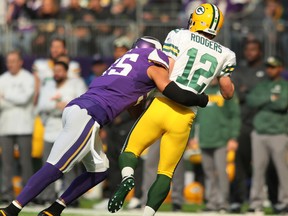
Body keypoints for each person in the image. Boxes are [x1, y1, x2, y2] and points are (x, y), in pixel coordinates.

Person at [0, 36, 208, 216]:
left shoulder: (124, 61)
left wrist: (143, 99)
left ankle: (54, 209)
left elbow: (131, 107)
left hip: (80, 109)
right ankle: (12, 209)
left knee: (100, 169)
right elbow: (174, 92)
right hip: (90, 114)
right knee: (56, 166)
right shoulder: (153, 63)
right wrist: (200, 99)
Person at [108, 3, 236, 216]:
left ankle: (128, 177)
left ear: (196, 19)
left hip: (162, 104)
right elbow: (227, 92)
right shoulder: (226, 53)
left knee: (130, 150)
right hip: (185, 116)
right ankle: (148, 213)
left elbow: (167, 67)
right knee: (166, 173)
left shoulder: (180, 35)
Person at [36, 61, 87, 205]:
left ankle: (70, 198)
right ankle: (47, 196)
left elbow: (81, 101)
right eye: (55, 70)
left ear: (66, 72)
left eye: (60, 70)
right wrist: (56, 105)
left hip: (68, 128)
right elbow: (42, 105)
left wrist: (64, 105)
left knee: (69, 166)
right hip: (51, 128)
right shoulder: (48, 86)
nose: (57, 73)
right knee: (47, 166)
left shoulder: (74, 84)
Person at [189, 78, 241, 213]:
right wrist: (192, 137)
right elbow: (194, 117)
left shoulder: (226, 92)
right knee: (208, 173)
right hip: (205, 139)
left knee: (221, 172)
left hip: (222, 140)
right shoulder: (201, 92)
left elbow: (235, 115)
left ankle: (223, 203)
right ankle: (211, 203)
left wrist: (233, 137)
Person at [247, 56, 288, 214]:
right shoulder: (261, 85)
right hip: (259, 133)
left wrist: (265, 101)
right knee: (258, 169)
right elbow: (251, 100)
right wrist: (271, 98)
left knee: (283, 170)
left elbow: (282, 103)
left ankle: (285, 202)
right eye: (268, 67)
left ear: (280, 68)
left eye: (273, 67)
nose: (269, 69)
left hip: (279, 133)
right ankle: (256, 203)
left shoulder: (285, 86)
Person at [230, 39, 267, 212]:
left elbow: (265, 94)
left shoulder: (267, 71)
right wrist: (253, 93)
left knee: (265, 165)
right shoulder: (240, 71)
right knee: (241, 164)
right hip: (244, 124)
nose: (250, 52)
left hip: (262, 124)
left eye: (254, 49)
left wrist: (249, 92)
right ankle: (238, 199)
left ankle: (270, 199)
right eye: (247, 50)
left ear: (260, 51)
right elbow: (236, 93)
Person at [0, 50, 35, 203]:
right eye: (8, 61)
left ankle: (27, 194)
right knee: (6, 164)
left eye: (13, 61)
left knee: (25, 162)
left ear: (20, 62)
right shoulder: (2, 78)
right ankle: (6, 193)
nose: (10, 64)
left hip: (24, 126)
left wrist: (6, 96)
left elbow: (25, 98)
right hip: (5, 126)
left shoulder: (28, 78)